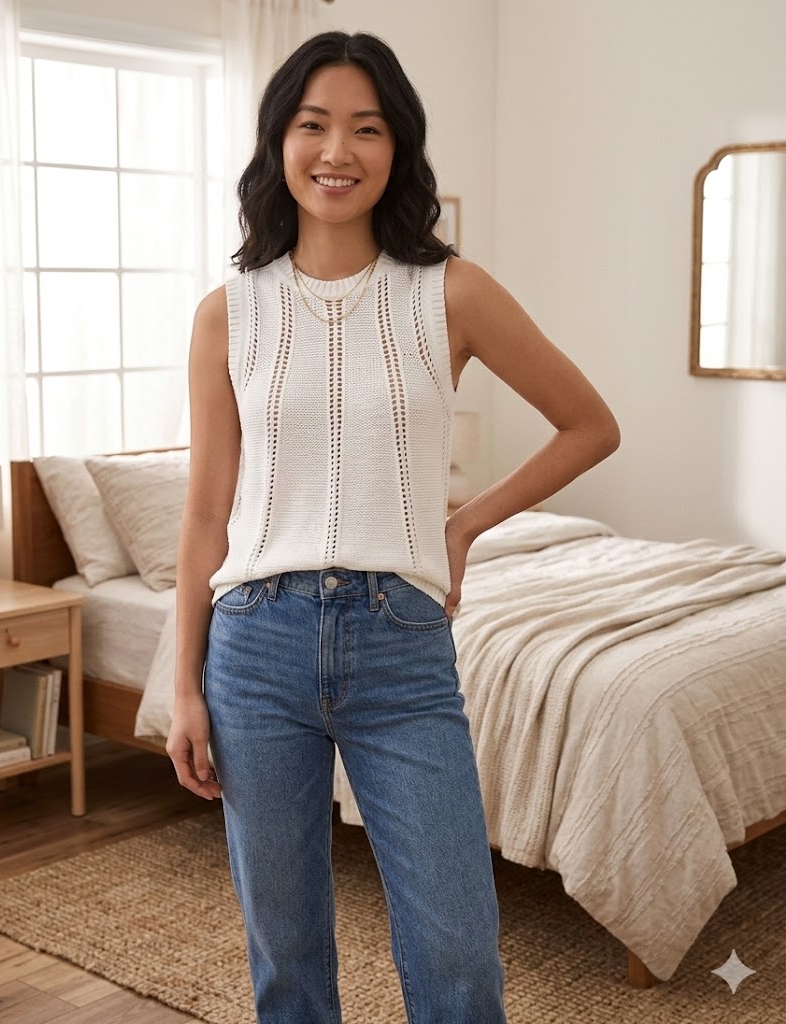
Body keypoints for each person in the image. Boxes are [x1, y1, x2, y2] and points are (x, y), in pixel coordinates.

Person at [167, 30, 620, 1024]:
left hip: (402, 649)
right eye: (313, 125)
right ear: (278, 144)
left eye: (365, 129)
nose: (338, 151)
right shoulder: (226, 314)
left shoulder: (448, 292)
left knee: (458, 956)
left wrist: (465, 527)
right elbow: (206, 515)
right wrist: (183, 686)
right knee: (286, 955)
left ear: (397, 148)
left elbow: (591, 424)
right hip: (254, 646)